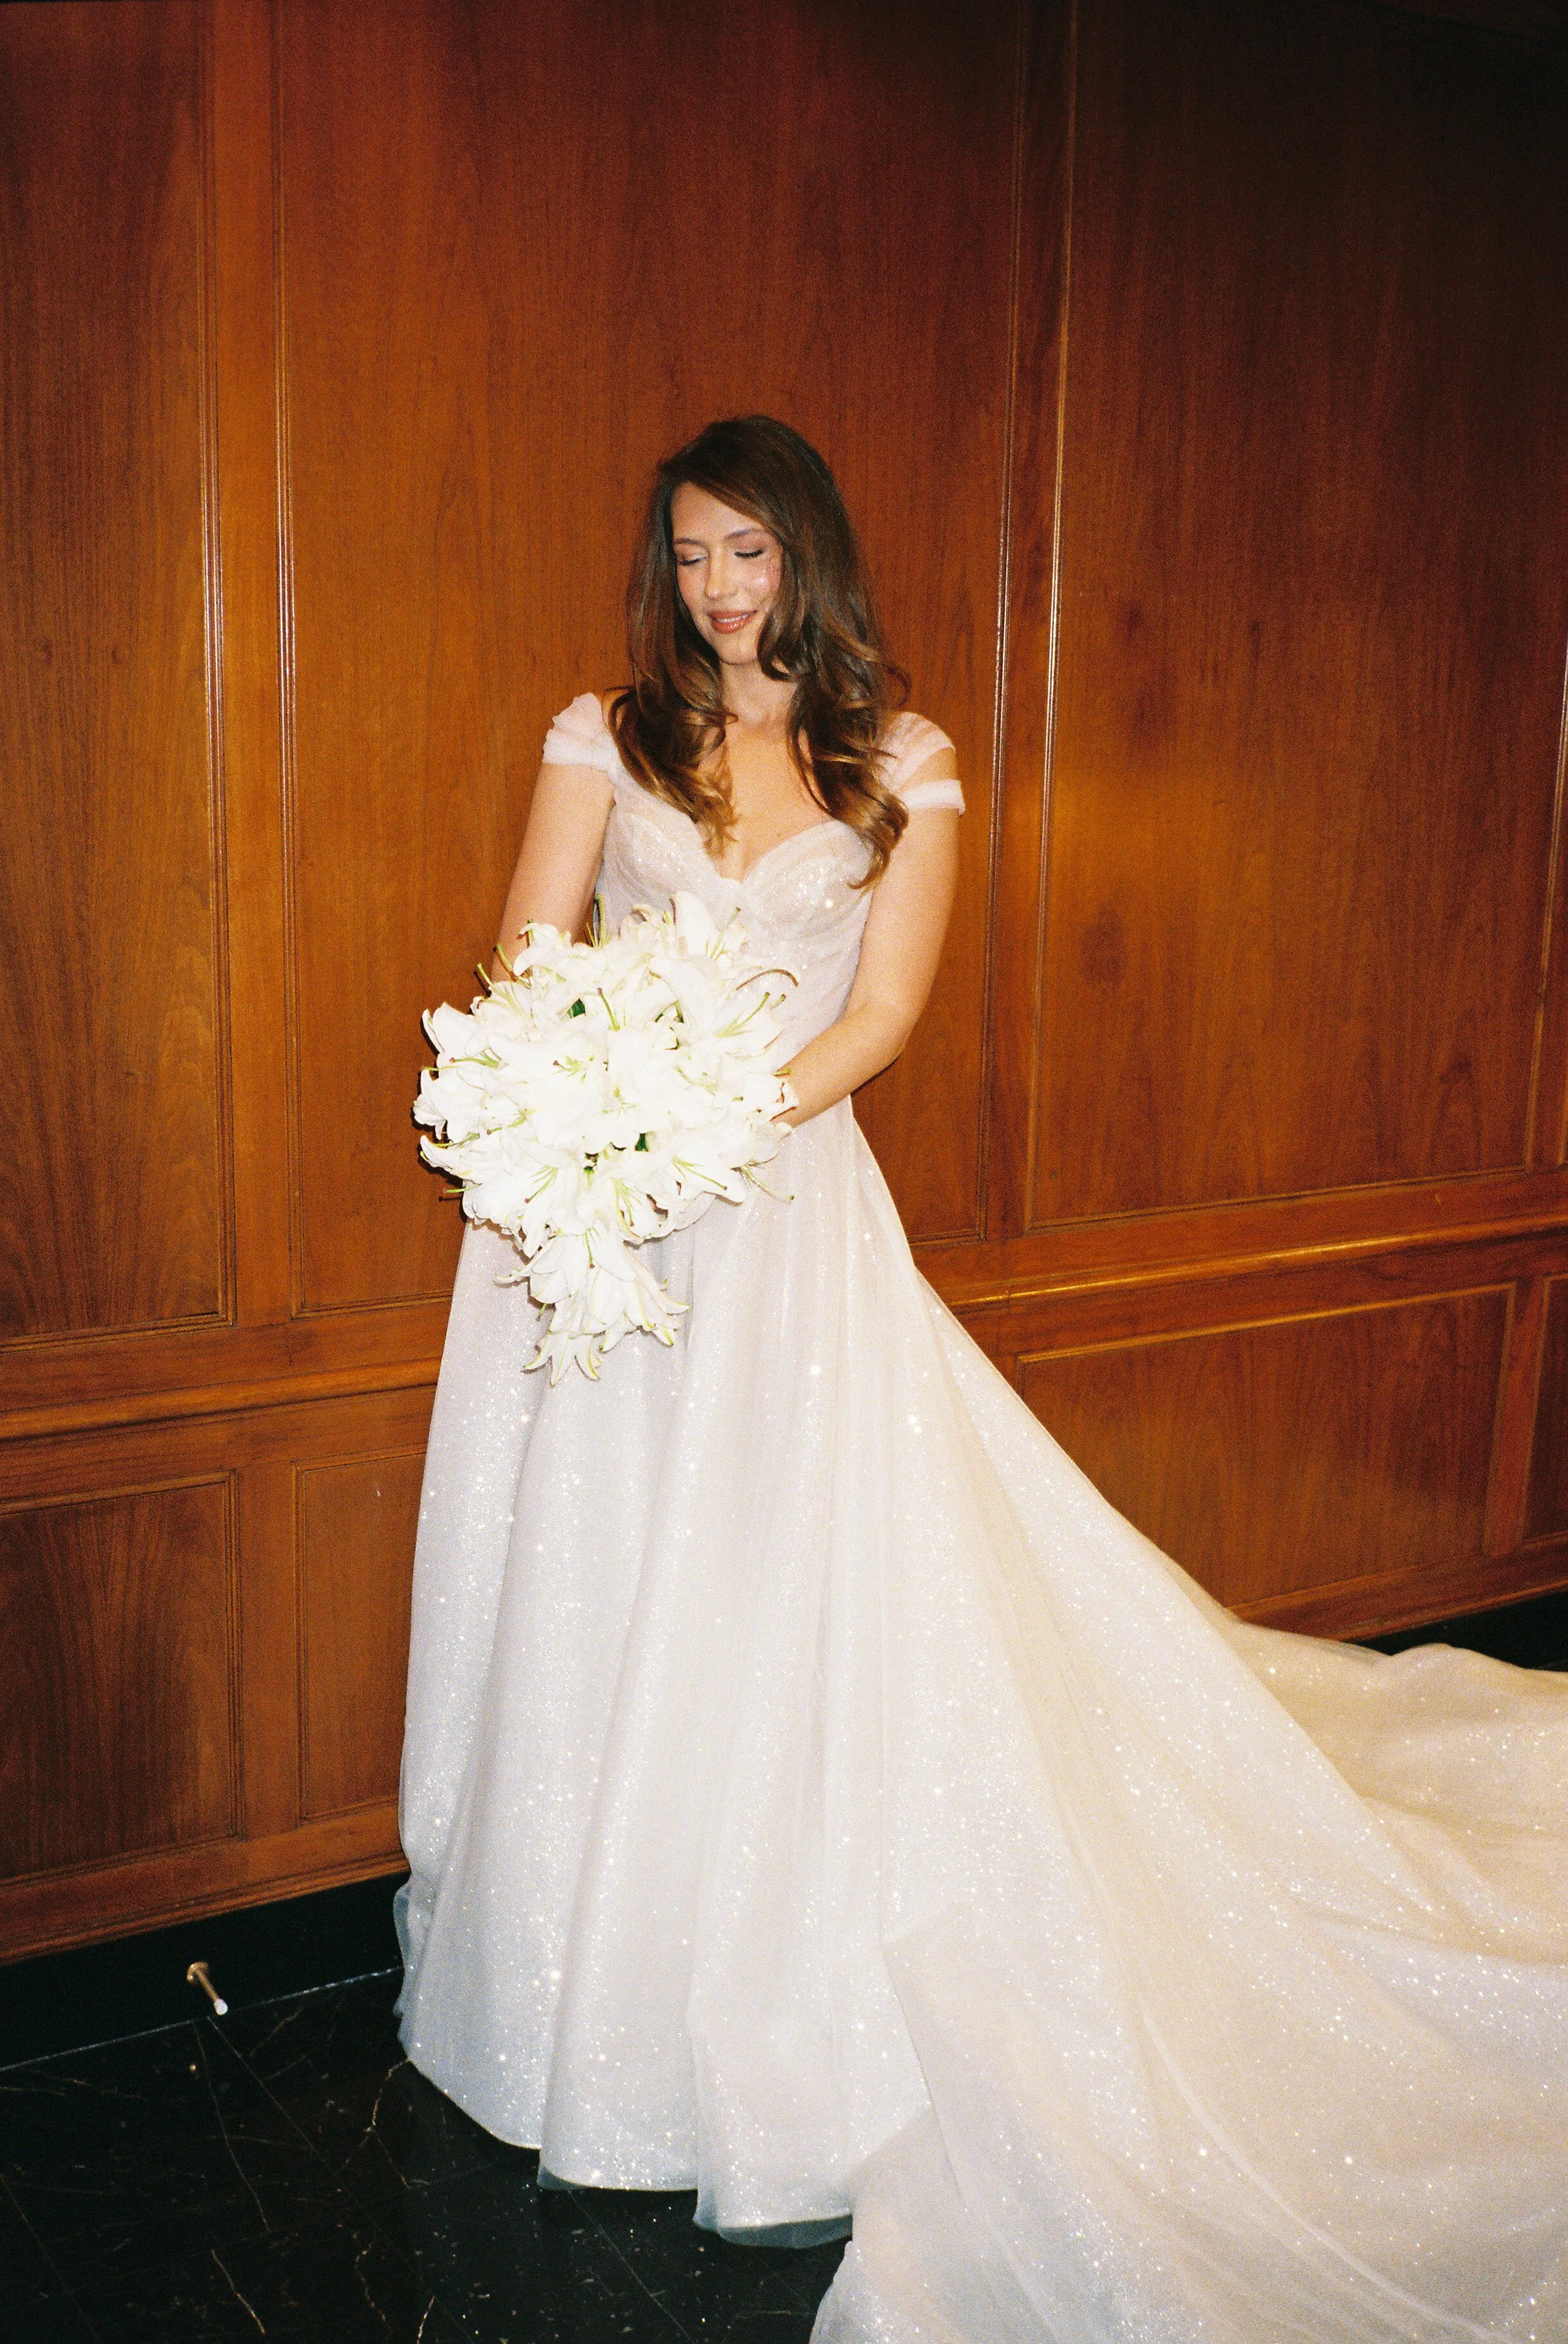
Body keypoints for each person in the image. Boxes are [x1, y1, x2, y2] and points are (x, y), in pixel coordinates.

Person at [396, 416, 1567, 2343]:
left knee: (780, 1606)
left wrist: (701, 1113)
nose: (720, 588)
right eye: (691, 554)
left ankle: (762, 2009)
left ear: (809, 560)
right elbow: (527, 956)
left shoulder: (900, 761)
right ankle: (580, 1995)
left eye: (751, 553)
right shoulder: (602, 735)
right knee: (600, 1585)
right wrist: (598, 1105)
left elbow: (884, 1013)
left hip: (777, 1227)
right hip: (598, 1222)